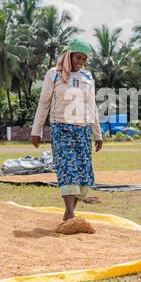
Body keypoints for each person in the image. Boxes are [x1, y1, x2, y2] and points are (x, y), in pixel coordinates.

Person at [31, 38, 103, 221]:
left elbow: (92, 106)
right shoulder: (54, 74)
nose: (81, 62)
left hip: (83, 129)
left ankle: (68, 215)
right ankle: (71, 214)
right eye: (78, 58)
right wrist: (36, 131)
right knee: (67, 168)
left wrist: (98, 133)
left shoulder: (87, 77)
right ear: (68, 56)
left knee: (83, 171)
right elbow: (44, 102)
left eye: (85, 59)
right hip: (61, 128)